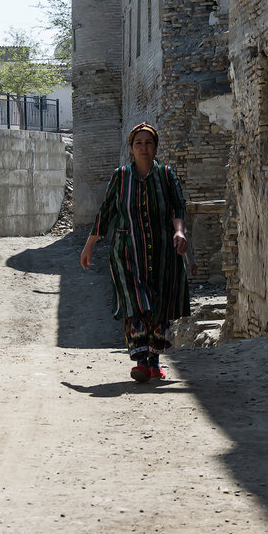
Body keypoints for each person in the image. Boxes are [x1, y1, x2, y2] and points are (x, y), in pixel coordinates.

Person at [80, 122, 189, 383]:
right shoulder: (121, 176)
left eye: (148, 143)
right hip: (127, 253)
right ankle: (142, 362)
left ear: (155, 148)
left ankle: (154, 363)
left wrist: (179, 231)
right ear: (131, 148)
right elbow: (106, 211)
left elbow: (177, 207)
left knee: (160, 306)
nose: (144, 147)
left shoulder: (166, 174)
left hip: (163, 252)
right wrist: (90, 243)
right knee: (135, 303)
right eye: (138, 143)